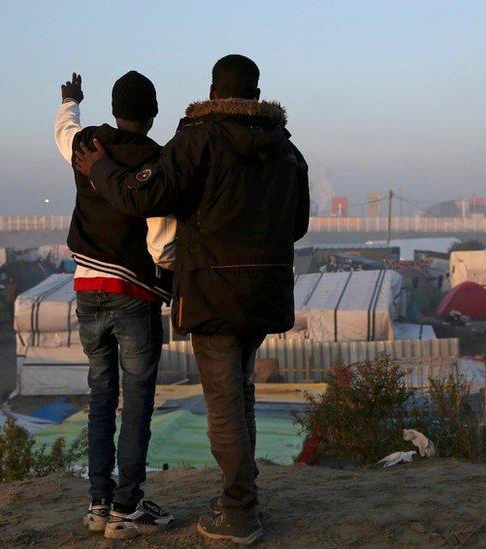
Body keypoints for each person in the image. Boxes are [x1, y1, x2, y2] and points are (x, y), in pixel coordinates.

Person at [73, 54, 309, 545]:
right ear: (257, 95)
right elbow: (298, 225)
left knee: (223, 400)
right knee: (240, 390)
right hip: (266, 291)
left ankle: (239, 513)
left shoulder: (199, 140)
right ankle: (239, 495)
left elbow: (143, 198)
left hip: (214, 291)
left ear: (214, 92)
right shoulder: (288, 151)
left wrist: (100, 170)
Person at [54, 70, 175, 540]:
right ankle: (128, 507)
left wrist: (71, 101)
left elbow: (62, 131)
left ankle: (98, 504)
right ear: (153, 113)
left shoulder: (86, 145)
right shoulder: (158, 161)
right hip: (133, 296)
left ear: (114, 108)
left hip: (86, 291)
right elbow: (162, 243)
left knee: (101, 396)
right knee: (138, 400)